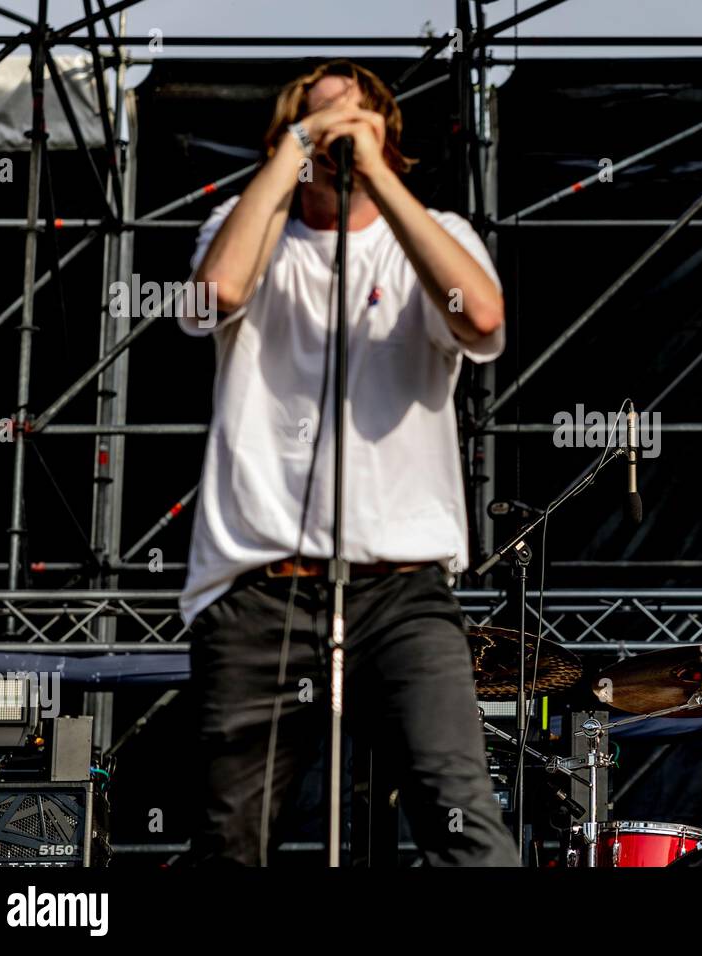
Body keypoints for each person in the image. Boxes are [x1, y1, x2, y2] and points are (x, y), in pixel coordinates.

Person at [175, 59, 517, 866]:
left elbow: (483, 318)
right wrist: (294, 150)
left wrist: (376, 173)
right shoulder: (242, 229)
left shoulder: (439, 236)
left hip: (403, 594)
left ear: (391, 143)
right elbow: (215, 295)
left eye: (357, 122)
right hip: (262, 592)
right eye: (316, 122)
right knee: (229, 845)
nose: (337, 136)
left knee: (469, 831)